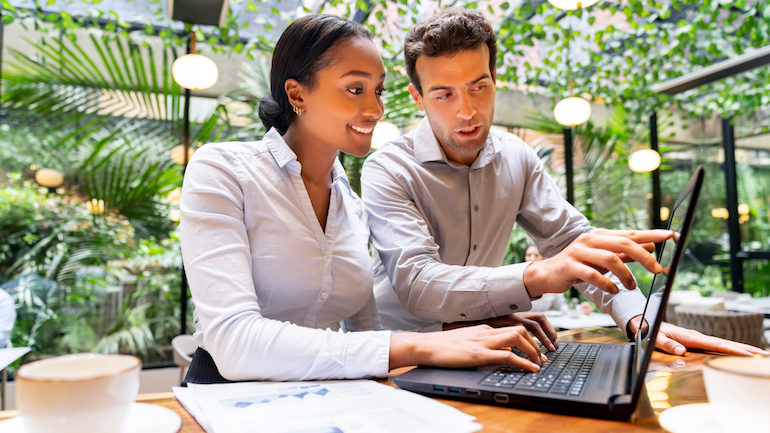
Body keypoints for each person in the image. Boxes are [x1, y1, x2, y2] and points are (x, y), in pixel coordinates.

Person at [361, 8, 766, 357]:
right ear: (417, 97)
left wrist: (639, 317)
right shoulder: (388, 168)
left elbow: (574, 242)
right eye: (444, 95)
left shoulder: (517, 155)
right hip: (399, 354)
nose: (466, 111)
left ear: (495, 79)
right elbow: (418, 284)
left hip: (480, 341)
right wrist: (535, 276)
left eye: (478, 87)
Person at [179, 14, 551, 384]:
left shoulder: (350, 204)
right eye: (356, 89)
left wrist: (465, 330)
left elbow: (365, 335)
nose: (375, 110)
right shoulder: (223, 170)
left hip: (327, 400)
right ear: (297, 94)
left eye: (379, 90)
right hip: (225, 398)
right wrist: (421, 347)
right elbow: (234, 341)